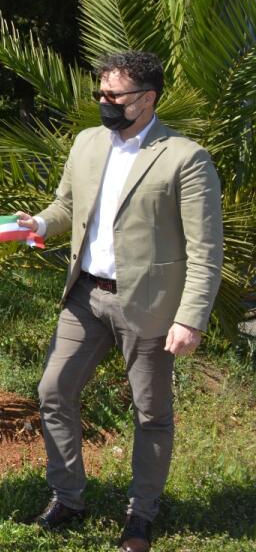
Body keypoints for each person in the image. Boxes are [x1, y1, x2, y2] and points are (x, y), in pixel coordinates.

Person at [16, 51, 223, 552]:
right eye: (100, 94)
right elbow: (68, 205)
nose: (104, 104)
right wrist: (39, 224)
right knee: (53, 390)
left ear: (148, 98)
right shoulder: (87, 142)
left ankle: (140, 514)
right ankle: (68, 496)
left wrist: (190, 319)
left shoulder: (184, 157)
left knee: (150, 413)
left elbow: (205, 248)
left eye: (115, 96)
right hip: (85, 295)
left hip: (150, 305)